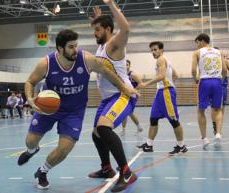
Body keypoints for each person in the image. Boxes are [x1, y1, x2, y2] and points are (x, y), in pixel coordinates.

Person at [17, 29, 137, 190]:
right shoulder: (46, 63)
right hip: (49, 109)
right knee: (30, 141)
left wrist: (124, 87)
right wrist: (30, 99)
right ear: (60, 48)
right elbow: (30, 82)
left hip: (74, 111)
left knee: (64, 149)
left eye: (76, 46)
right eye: (71, 47)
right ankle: (32, 150)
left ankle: (42, 171)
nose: (76, 50)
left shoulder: (86, 59)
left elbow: (106, 71)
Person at [87, 0, 139, 192]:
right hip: (108, 99)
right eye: (94, 30)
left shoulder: (114, 45)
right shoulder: (101, 47)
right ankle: (107, 169)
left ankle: (126, 172)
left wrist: (111, 5)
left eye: (98, 29)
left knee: (104, 127)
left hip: (123, 94)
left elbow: (125, 28)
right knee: (96, 134)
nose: (95, 33)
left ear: (108, 29)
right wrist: (98, 18)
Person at [137, 41, 188, 155]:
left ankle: (181, 146)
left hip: (166, 92)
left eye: (155, 49)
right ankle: (149, 145)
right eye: (152, 50)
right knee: (153, 119)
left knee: (173, 120)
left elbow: (161, 76)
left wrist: (146, 84)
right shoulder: (166, 60)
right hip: (161, 92)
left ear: (161, 50)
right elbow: (176, 75)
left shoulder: (161, 59)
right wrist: (169, 82)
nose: (153, 52)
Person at [191, 33, 227, 149]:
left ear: (201, 41)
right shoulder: (219, 52)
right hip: (217, 82)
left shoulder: (197, 53)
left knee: (201, 110)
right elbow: (225, 70)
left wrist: (195, 78)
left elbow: (193, 69)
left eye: (197, 43)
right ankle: (217, 133)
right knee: (218, 109)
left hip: (204, 82)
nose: (197, 46)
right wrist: (221, 80)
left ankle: (205, 138)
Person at [211, 49, 229, 135]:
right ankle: (215, 126)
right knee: (214, 108)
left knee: (222, 109)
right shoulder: (210, 62)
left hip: (223, 86)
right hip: (213, 85)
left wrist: (227, 73)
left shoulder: (224, 61)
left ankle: (219, 130)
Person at [121, 59, 144, 135]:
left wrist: (134, 90)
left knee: (129, 112)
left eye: (127, 65)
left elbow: (141, 83)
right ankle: (124, 130)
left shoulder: (132, 75)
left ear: (129, 66)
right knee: (124, 112)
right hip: (125, 95)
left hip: (133, 96)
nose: (125, 66)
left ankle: (139, 127)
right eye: (124, 64)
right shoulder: (122, 74)